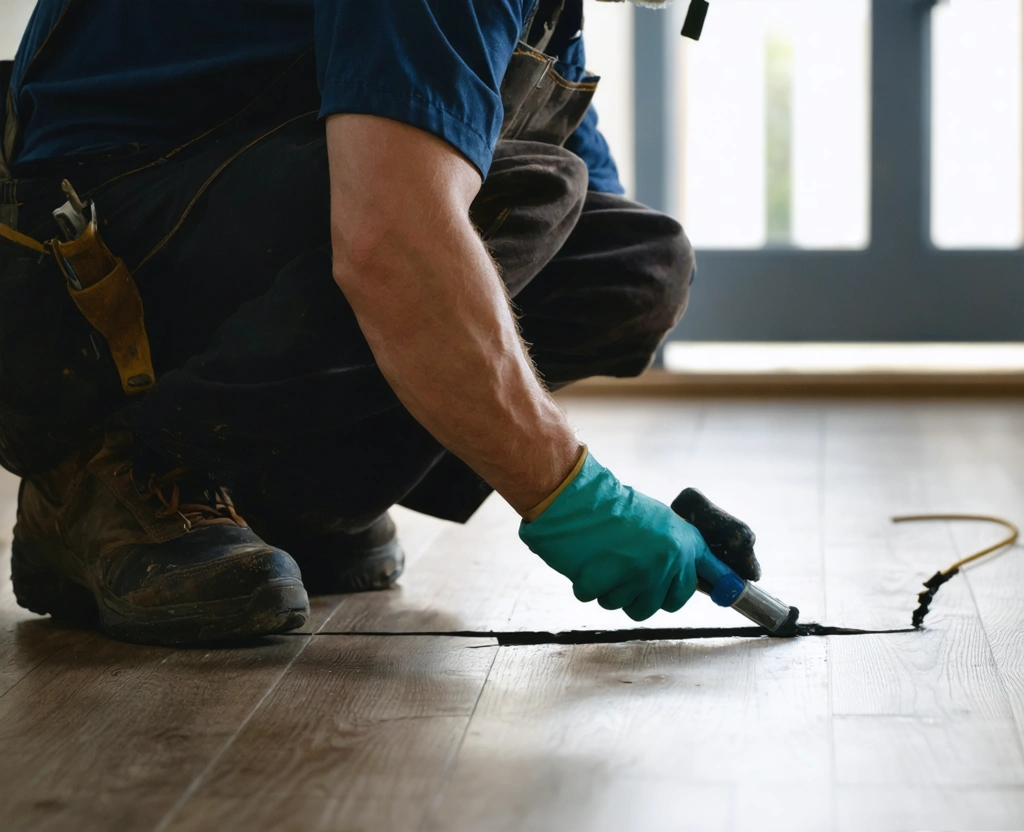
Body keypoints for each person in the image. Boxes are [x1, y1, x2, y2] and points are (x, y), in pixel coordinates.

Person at [0, 0, 716, 645]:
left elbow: (577, 240)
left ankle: (271, 487)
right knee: (502, 195)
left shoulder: (549, 12)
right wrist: (572, 496)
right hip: (78, 263)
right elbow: (394, 239)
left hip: (222, 196)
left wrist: (643, 511)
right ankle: (109, 467)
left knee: (638, 263)